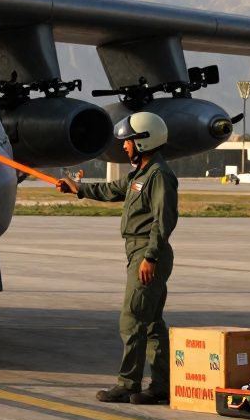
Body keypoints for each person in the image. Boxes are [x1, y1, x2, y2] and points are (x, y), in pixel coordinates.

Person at [57, 112, 178, 405]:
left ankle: (128, 384)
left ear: (145, 141)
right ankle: (162, 385)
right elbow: (112, 190)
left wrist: (150, 256)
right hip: (138, 252)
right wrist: (79, 189)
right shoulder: (141, 174)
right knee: (150, 323)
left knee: (131, 319)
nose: (124, 147)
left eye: (128, 141)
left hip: (148, 253)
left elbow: (164, 221)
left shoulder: (159, 175)